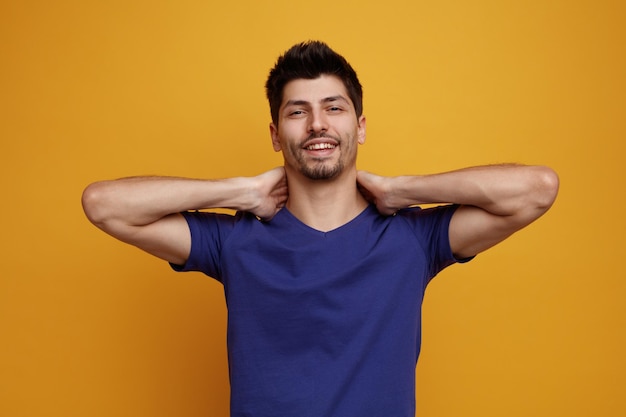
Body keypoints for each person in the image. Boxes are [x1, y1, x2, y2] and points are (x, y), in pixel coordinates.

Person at [82, 41, 559, 417]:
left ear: (360, 125)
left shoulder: (412, 238)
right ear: (276, 134)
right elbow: (104, 204)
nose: (317, 124)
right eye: (297, 112)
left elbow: (536, 188)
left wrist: (402, 189)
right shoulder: (235, 241)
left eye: (334, 108)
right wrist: (238, 192)